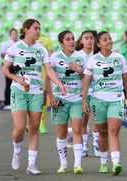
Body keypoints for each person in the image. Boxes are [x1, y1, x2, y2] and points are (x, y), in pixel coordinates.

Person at [2, 18, 67, 175]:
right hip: (18, 91)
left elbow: (49, 70)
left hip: (37, 92)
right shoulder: (15, 47)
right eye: (35, 28)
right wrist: (18, 79)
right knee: (19, 128)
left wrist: (59, 83)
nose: (38, 31)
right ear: (26, 29)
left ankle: (31, 165)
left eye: (39, 28)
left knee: (34, 128)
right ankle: (17, 150)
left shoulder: (42, 49)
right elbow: (5, 69)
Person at [82, 31, 127, 175]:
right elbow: (86, 81)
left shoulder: (120, 58)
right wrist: (83, 101)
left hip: (116, 99)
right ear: (98, 44)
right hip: (98, 100)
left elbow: (126, 80)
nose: (109, 41)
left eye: (110, 39)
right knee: (102, 132)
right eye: (105, 40)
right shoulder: (92, 60)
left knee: (113, 131)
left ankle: (116, 163)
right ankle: (104, 163)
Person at [45, 30, 86, 174]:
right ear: (61, 43)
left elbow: (88, 77)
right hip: (59, 99)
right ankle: (63, 164)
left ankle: (77, 165)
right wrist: (51, 97)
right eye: (68, 39)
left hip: (76, 99)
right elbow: (48, 79)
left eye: (73, 39)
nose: (71, 41)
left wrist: (79, 70)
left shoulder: (81, 56)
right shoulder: (54, 57)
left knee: (77, 130)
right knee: (61, 132)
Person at [75, 30, 99, 157]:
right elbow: (76, 74)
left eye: (91, 38)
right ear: (81, 40)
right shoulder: (77, 55)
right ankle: (84, 146)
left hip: (97, 92)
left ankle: (96, 145)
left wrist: (81, 70)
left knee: (97, 119)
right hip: (82, 92)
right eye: (86, 38)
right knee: (83, 121)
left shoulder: (99, 55)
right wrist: (80, 71)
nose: (89, 40)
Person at [36, 34, 53, 134]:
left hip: (44, 73)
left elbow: (50, 55)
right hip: (32, 74)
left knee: (43, 99)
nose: (37, 30)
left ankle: (41, 123)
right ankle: (30, 123)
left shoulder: (46, 40)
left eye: (38, 28)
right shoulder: (26, 42)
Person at [0, 28, 18, 110]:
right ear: (10, 35)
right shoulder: (6, 44)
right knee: (8, 84)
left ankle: (14, 102)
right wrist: (10, 57)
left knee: (16, 84)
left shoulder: (19, 43)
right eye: (13, 34)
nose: (14, 35)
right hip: (9, 65)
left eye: (15, 33)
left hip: (17, 66)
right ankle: (7, 103)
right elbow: (2, 54)